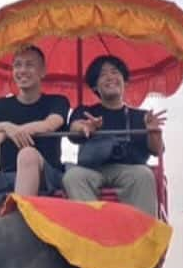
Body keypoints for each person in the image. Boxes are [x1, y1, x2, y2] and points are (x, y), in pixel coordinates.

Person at [0, 44, 69, 238]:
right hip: (9, 176)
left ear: (42, 71)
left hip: (46, 175)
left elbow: (51, 124)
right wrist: (6, 126)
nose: (22, 70)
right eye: (17, 65)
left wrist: (4, 134)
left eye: (29, 65)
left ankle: (15, 232)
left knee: (27, 155)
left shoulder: (57, 101)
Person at [63, 55, 165, 217]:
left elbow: (157, 150)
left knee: (144, 175)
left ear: (125, 81)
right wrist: (85, 127)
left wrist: (152, 131)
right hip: (93, 169)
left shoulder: (142, 116)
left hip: (130, 170)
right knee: (73, 176)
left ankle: (142, 235)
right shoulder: (86, 112)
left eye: (114, 72)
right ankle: (91, 232)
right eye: (103, 75)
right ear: (95, 86)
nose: (110, 77)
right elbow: (74, 130)